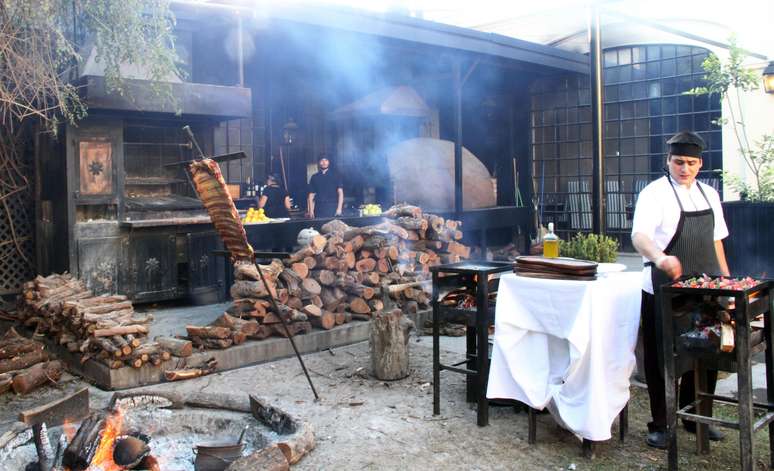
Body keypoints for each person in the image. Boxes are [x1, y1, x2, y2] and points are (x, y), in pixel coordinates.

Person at [631, 130, 730, 449]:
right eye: (677, 162)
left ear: (700, 164)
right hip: (664, 287)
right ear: (668, 161)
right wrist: (661, 258)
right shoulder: (654, 194)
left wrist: (725, 282)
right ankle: (661, 423)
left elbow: (716, 241)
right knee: (662, 358)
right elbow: (639, 237)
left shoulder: (710, 195)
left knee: (707, 352)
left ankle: (697, 417)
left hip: (704, 286)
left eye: (689, 163)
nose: (683, 168)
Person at [307, 154, 343, 218]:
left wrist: (339, 209)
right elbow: (311, 195)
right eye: (322, 160)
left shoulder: (336, 175)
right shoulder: (314, 177)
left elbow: (340, 193)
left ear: (328, 162)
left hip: (332, 208)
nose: (324, 162)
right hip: (318, 208)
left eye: (326, 160)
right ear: (319, 162)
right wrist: (311, 210)